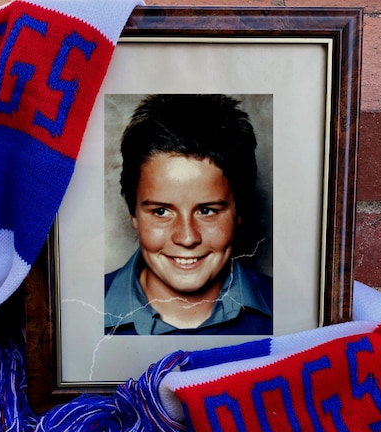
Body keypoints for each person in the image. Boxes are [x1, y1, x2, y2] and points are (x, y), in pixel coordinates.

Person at [104, 94, 273, 335]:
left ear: (239, 211)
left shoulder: (286, 311)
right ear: (134, 212)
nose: (186, 238)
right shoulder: (82, 314)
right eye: (161, 211)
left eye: (207, 211)